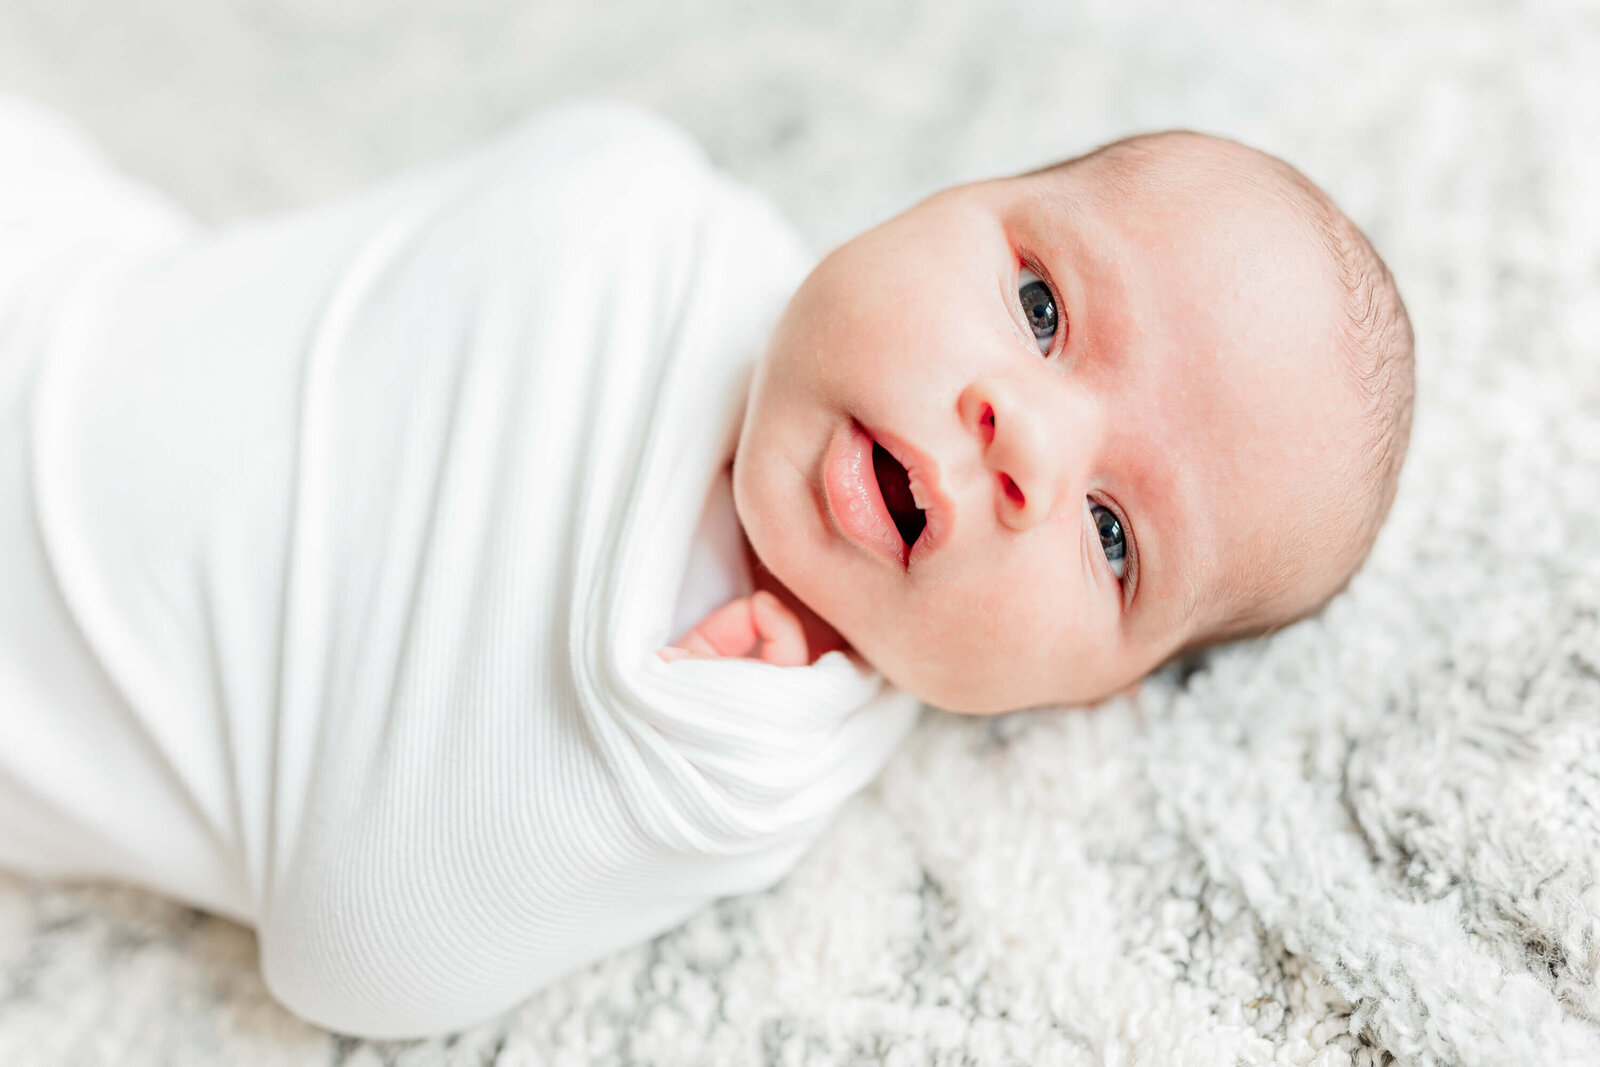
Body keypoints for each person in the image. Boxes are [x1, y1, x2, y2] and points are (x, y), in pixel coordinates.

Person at [0, 94, 1411, 1038]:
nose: (1024, 438)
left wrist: (659, 743)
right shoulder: (652, 230)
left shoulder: (744, 752)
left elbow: (357, 959)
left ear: (1087, 691)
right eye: (1040, 303)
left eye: (1112, 535)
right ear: (944, 196)